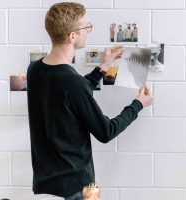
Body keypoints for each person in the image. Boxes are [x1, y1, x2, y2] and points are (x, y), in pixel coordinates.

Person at [26, 2, 153, 200]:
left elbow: (71, 96)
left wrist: (103, 66)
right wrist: (138, 104)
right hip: (76, 189)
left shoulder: (34, 70)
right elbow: (106, 131)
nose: (88, 30)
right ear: (72, 36)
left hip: (44, 187)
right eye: (86, 27)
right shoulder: (72, 82)